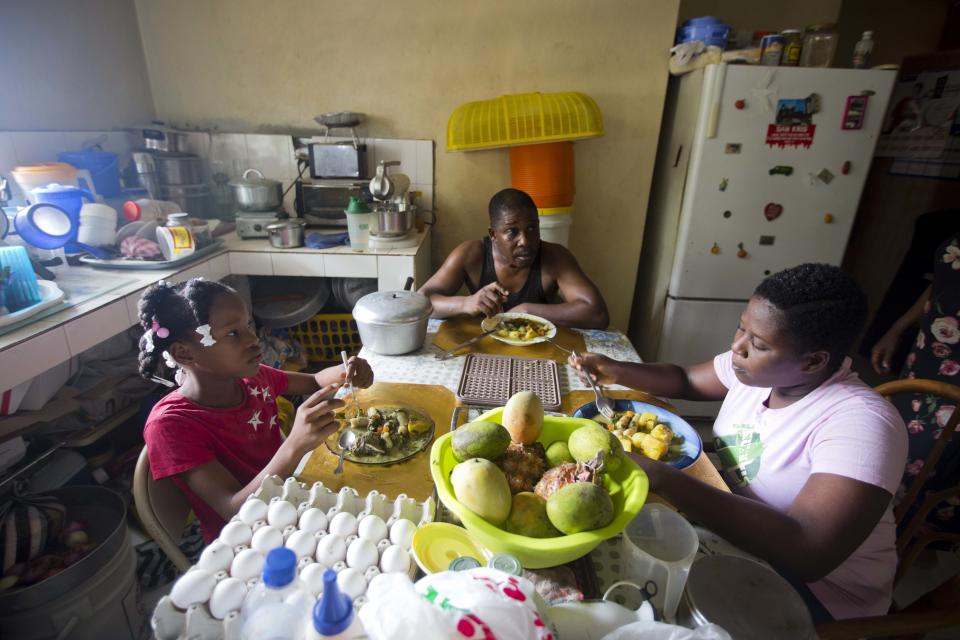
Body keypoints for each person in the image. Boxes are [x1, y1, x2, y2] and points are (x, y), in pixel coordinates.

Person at [571, 264, 907, 621]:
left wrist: (665, 477)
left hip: (813, 598)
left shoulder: (862, 425)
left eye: (758, 344)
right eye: (741, 327)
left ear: (813, 361)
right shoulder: (755, 370)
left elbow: (806, 552)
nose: (737, 347)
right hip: (733, 532)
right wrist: (615, 370)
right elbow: (685, 379)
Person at [137, 278, 374, 542]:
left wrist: (346, 372)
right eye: (232, 333)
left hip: (292, 502)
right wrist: (294, 445)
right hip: (248, 537)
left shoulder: (251, 378)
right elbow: (233, 509)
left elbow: (316, 380)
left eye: (248, 325)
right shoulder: (172, 426)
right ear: (184, 354)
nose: (253, 339)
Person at [871, 233, 960, 537]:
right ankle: (884, 524)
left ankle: (918, 536)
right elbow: (942, 282)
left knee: (944, 455)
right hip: (930, 352)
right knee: (900, 439)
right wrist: (897, 328)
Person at [418, 188, 609, 329]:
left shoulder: (554, 257)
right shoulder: (471, 255)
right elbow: (420, 301)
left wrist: (527, 311)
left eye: (532, 228)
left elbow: (597, 314)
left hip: (540, 354)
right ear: (493, 234)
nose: (525, 241)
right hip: (485, 350)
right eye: (512, 232)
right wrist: (466, 303)